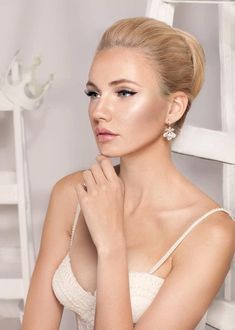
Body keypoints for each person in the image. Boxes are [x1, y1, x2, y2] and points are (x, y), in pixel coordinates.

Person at [21, 17, 235, 330]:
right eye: (93, 93)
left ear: (174, 108)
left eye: (124, 93)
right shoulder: (71, 194)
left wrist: (110, 244)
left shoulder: (210, 233)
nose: (99, 111)